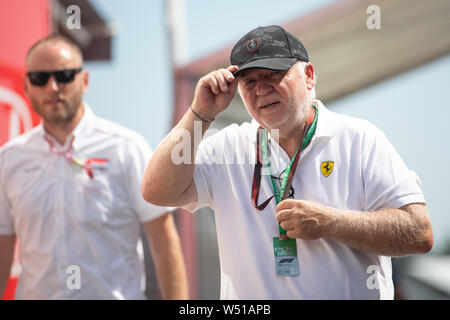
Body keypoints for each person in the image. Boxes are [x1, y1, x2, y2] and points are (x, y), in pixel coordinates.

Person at [142, 25, 433, 299]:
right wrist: (199, 114)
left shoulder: (359, 138)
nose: (261, 89)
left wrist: (332, 223)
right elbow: (156, 191)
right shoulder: (227, 146)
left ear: (309, 75)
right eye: (249, 81)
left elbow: (419, 232)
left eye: (273, 74)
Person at [0, 35, 188, 299]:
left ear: (85, 80)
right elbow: (3, 250)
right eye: (40, 78)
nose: (53, 87)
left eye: (64, 75)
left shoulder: (126, 147)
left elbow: (165, 242)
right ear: (27, 86)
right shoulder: (9, 159)